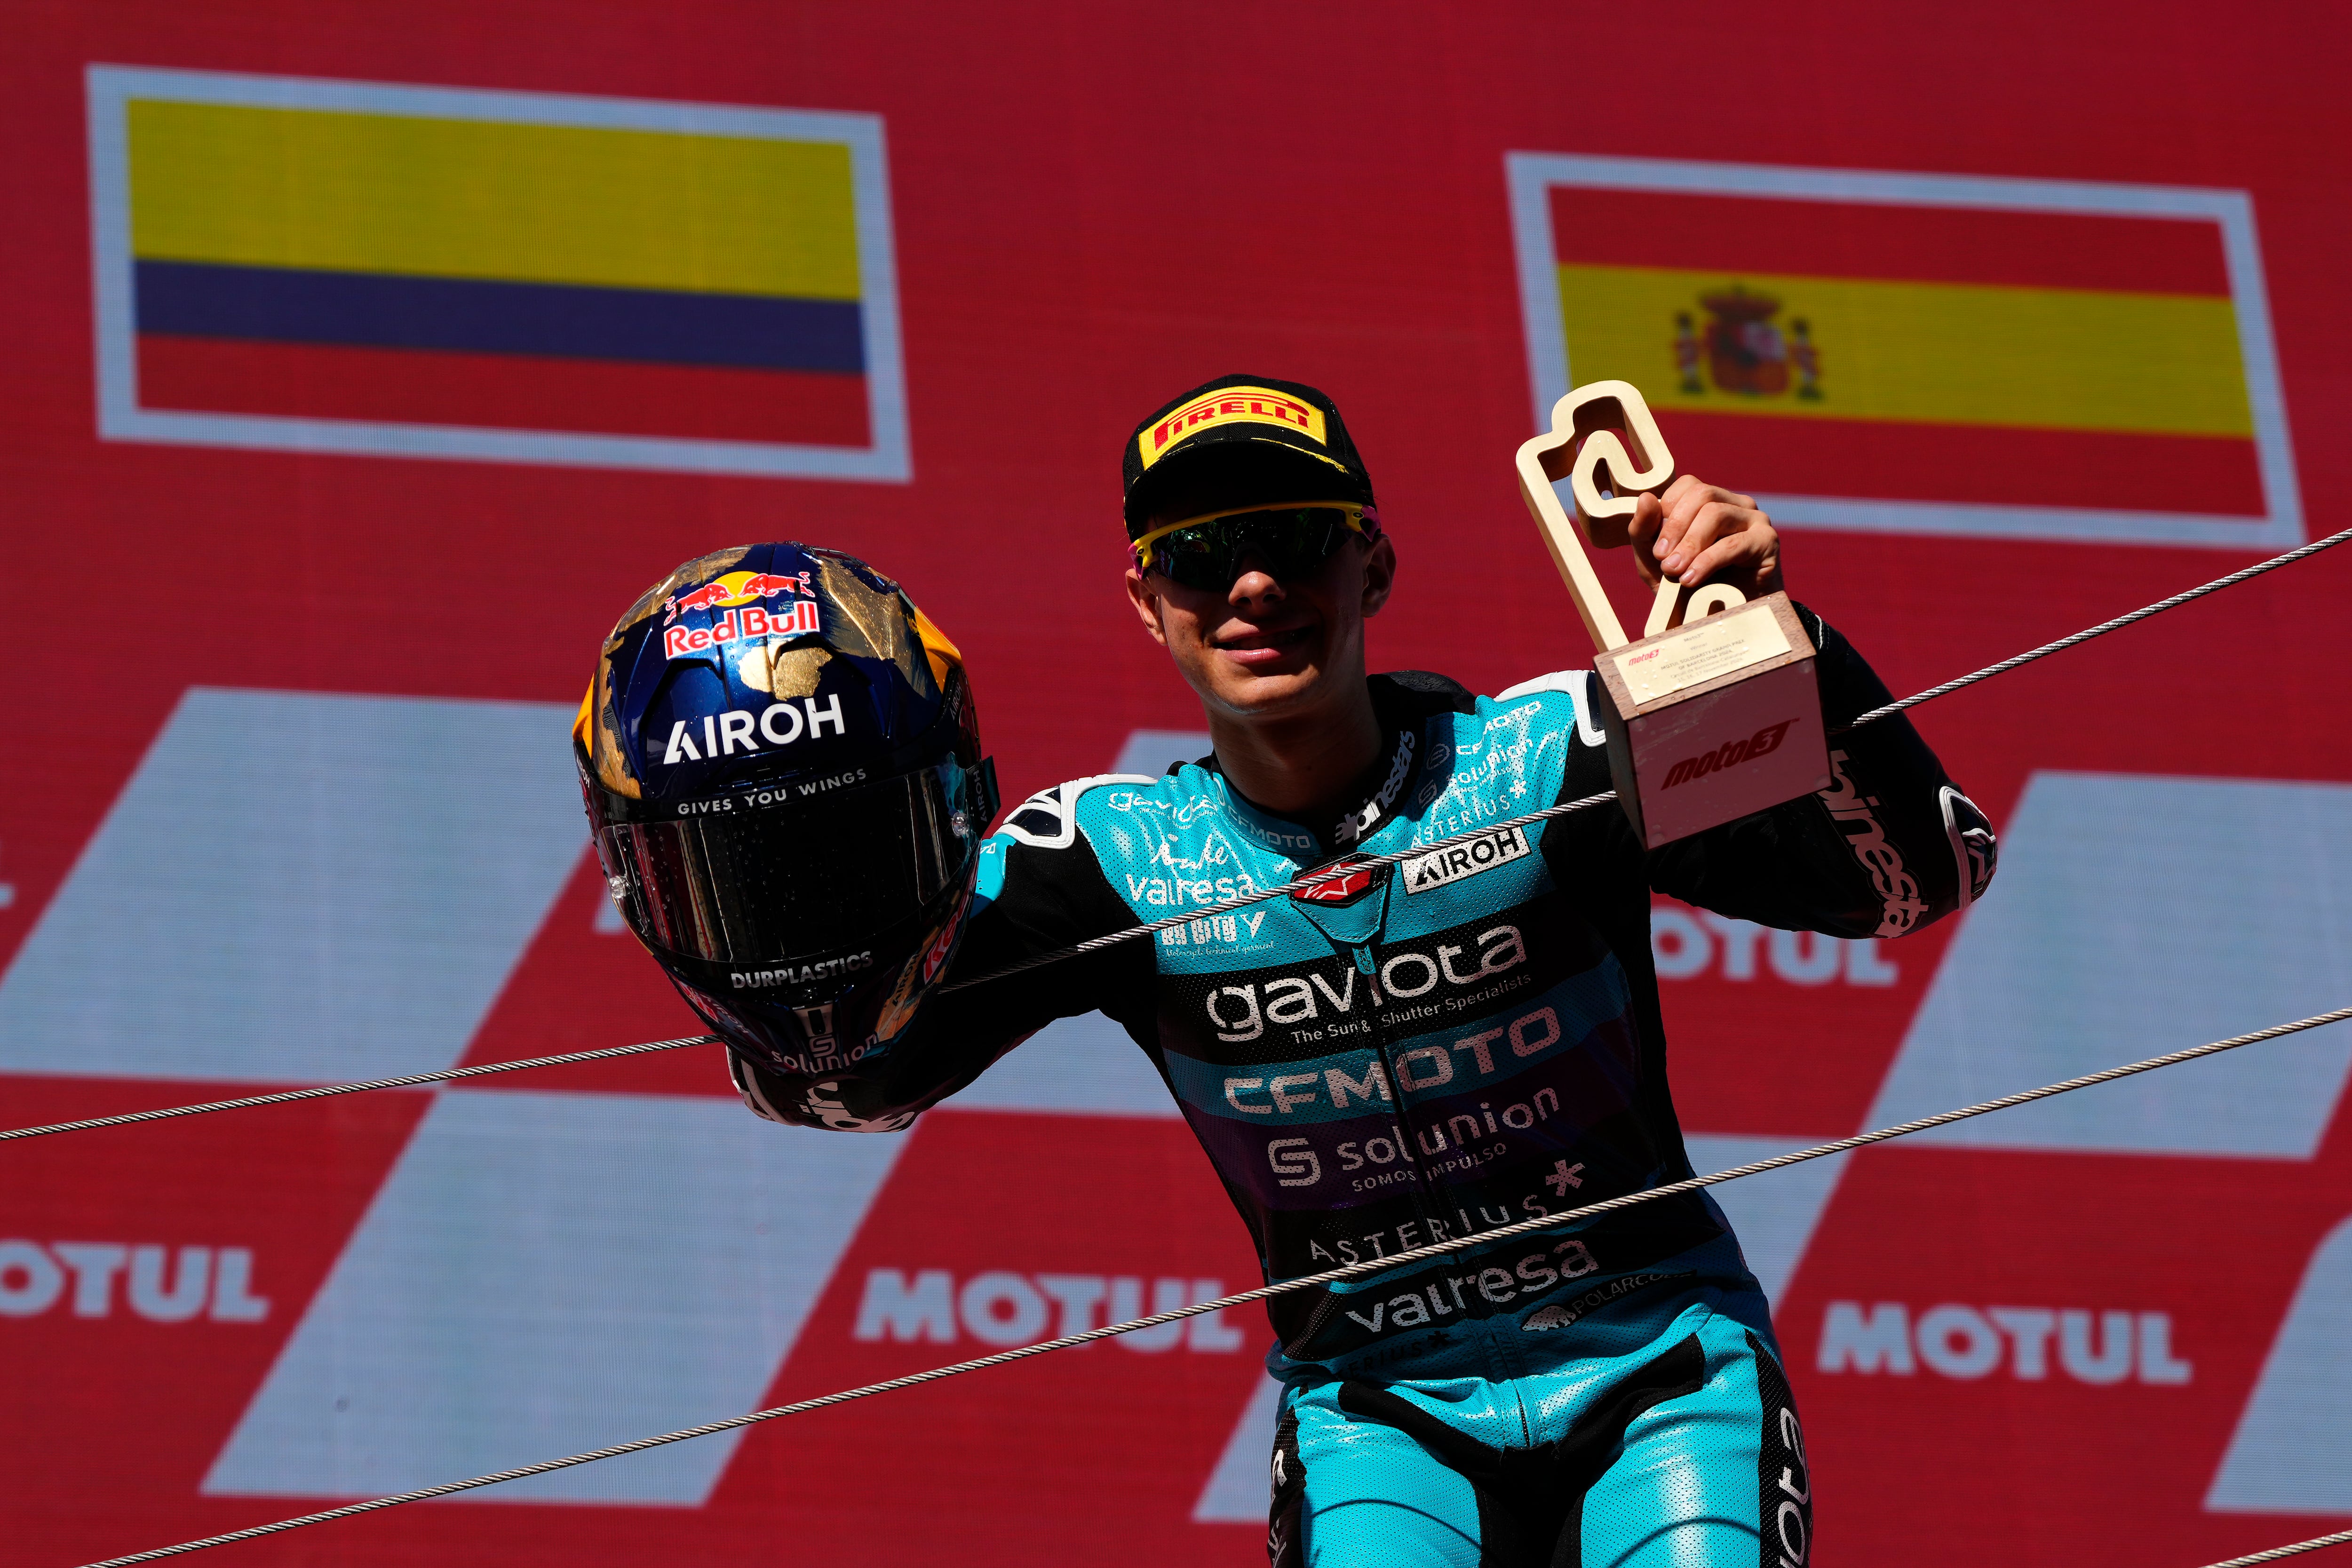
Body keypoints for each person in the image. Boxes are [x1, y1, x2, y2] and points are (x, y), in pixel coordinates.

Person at [578, 374, 1998, 1568]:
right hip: (1378, 1412)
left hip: (1663, 1369)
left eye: (1293, 538)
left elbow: (1919, 882)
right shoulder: (1099, 858)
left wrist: (1780, 644)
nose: (1252, 582)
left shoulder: (1565, 747)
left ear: (1371, 564)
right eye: (1202, 554)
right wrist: (776, 853)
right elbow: (846, 1080)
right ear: (1148, 599)